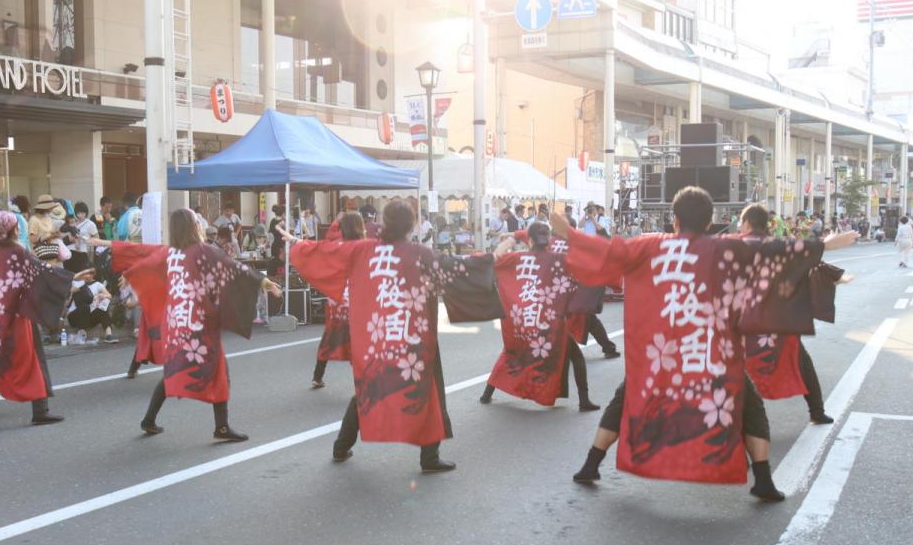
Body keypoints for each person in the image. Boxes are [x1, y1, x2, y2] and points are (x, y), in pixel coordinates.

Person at [551, 186, 856, 500]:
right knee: (750, 407)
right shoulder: (725, 249)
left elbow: (607, 252)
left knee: (626, 399)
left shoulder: (649, 245)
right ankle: (763, 479)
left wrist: (569, 233)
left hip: (662, 358)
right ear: (710, 221)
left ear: (674, 219)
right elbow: (774, 252)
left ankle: (591, 464)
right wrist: (825, 244)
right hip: (711, 355)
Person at [284, 201, 500, 473]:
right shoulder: (420, 254)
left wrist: (297, 243)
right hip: (412, 338)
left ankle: (341, 446)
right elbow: (459, 267)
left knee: (370, 387)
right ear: (412, 224)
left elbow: (325, 251)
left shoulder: (363, 249)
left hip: (378, 337)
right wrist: (492, 258)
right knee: (425, 391)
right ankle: (429, 457)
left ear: (384, 222)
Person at [99, 210, 282, 440]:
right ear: (191, 226)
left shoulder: (171, 253)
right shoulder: (202, 251)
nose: (199, 224)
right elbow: (233, 267)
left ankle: (150, 419)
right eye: (196, 221)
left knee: (175, 369)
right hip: (198, 324)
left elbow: (147, 262)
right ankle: (221, 427)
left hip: (176, 323)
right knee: (219, 371)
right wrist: (264, 282)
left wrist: (130, 274)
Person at [0, 211, 76, 425]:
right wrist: (71, 280)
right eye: (16, 226)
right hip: (14, 314)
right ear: (11, 229)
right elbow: (41, 272)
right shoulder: (16, 251)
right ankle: (40, 411)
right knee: (32, 358)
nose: (19, 229)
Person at [479, 224, 599, 411]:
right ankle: (584, 400)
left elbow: (492, 259)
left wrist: (510, 240)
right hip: (549, 326)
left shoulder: (516, 258)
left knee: (510, 355)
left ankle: (486, 395)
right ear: (548, 240)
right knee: (576, 356)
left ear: (530, 240)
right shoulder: (559, 260)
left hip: (523, 323)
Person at [738, 204, 837, 426]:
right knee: (801, 363)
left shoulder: (735, 246)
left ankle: (742, 421)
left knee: (736, 368)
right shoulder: (780, 246)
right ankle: (817, 411)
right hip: (780, 320)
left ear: (747, 223)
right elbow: (809, 262)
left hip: (745, 322)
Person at [311, 212, 363, 389]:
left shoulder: (335, 245)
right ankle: (361, 384)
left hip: (336, 296)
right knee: (358, 342)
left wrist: (337, 221)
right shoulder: (363, 246)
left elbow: (326, 240)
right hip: (356, 298)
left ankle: (317, 376)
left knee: (330, 335)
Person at [66, 269, 118, 344]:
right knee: (85, 307)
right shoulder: (75, 283)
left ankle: (109, 335)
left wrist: (103, 295)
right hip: (74, 317)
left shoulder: (97, 285)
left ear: (93, 275)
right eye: (85, 274)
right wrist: (71, 291)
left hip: (89, 316)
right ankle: (81, 333)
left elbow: (109, 296)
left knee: (102, 309)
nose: (87, 276)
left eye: (89, 274)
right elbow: (65, 301)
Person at [65, 202, 97, 273]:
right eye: (78, 213)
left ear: (86, 213)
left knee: (81, 274)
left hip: (83, 252)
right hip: (71, 251)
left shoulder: (90, 224)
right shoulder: (73, 223)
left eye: (83, 213)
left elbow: (97, 238)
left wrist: (85, 238)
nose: (80, 215)